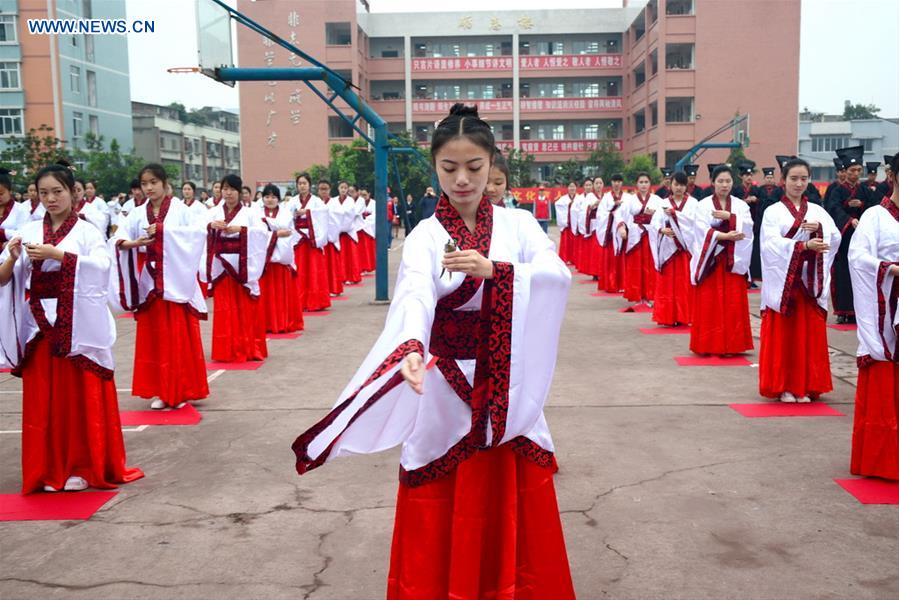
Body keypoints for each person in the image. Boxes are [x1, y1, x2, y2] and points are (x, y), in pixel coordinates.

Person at [291, 104, 575, 599]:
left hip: (507, 380)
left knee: (510, 480)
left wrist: (498, 272)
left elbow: (556, 275)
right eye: (449, 168)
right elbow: (416, 294)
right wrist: (412, 348)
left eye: (474, 168)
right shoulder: (426, 234)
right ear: (435, 167)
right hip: (446, 384)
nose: (462, 180)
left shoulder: (520, 226)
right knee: (442, 483)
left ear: (492, 167)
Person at [0, 162, 144, 493]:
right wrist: (10, 256)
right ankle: (49, 467)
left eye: (57, 191)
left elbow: (100, 270)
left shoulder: (88, 231)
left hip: (77, 328)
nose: (51, 199)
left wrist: (59, 255)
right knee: (44, 400)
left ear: (72, 192)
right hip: (37, 326)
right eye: (43, 193)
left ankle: (81, 464)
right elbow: (5, 277)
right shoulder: (30, 230)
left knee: (77, 398)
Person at [111, 164, 209, 410]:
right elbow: (118, 236)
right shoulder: (137, 213)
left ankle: (180, 389)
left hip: (175, 281)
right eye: (144, 183)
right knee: (155, 338)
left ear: (165, 183)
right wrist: (134, 242)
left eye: (153, 182)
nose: (149, 188)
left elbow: (197, 234)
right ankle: (161, 389)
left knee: (177, 337)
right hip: (150, 281)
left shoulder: (180, 209)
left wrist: (164, 231)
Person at [759, 158, 841, 403]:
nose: (799, 183)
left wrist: (819, 231)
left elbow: (834, 237)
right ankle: (784, 386)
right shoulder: (772, 212)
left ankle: (806, 385)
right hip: (785, 283)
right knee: (785, 337)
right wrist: (803, 244)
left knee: (807, 336)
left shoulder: (818, 211)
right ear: (783, 180)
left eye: (803, 178)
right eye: (794, 178)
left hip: (808, 281)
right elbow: (770, 244)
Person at [848, 153, 899, 480]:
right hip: (886, 305)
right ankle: (883, 459)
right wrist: (888, 269)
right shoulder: (875, 216)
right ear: (893, 175)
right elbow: (858, 256)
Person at [203, 174, 270, 363]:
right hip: (221, 265)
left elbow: (262, 233)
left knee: (244, 308)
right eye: (225, 189)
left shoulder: (250, 213)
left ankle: (247, 347)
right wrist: (210, 226)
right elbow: (198, 230)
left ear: (239, 192)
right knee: (224, 308)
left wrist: (241, 230)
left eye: (232, 189)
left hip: (243, 267)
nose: (228, 193)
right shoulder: (213, 212)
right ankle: (225, 350)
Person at [689, 164, 754, 356]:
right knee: (710, 302)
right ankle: (709, 343)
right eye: (720, 181)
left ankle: (733, 344)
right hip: (713, 259)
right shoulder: (703, 205)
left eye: (728, 181)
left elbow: (749, 227)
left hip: (733, 259)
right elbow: (699, 230)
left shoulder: (741, 205)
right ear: (712, 183)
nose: (724, 185)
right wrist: (723, 235)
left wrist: (731, 217)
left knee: (732, 302)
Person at [825, 145, 877, 324]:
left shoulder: (865, 191)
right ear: (845, 171)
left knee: (861, 271)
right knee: (842, 273)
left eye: (858, 170)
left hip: (861, 237)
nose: (855, 174)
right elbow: (833, 209)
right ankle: (842, 310)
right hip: (844, 237)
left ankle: (858, 310)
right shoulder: (837, 190)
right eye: (852, 170)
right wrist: (848, 217)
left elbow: (873, 208)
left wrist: (861, 206)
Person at [647, 171, 697, 326]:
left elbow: (695, 224)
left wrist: (676, 216)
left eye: (682, 185)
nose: (679, 188)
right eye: (676, 184)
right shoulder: (662, 203)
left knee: (685, 284)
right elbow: (654, 224)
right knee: (668, 284)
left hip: (685, 250)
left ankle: (685, 315)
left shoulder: (693, 203)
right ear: (671, 185)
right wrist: (662, 230)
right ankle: (667, 316)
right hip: (668, 250)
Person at [256, 184, 304, 334]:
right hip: (263, 261)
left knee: (280, 293)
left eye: (273, 197)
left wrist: (270, 228)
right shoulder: (255, 213)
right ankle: (264, 323)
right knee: (264, 293)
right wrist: (275, 233)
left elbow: (288, 231)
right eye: (267, 197)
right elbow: (256, 232)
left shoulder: (285, 213)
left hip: (280, 260)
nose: (270, 200)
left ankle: (282, 322)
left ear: (279, 199)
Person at [616, 172, 663, 305]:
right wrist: (622, 227)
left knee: (650, 265)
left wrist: (652, 216)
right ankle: (637, 295)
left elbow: (662, 217)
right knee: (636, 266)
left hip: (651, 236)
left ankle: (650, 295)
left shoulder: (657, 200)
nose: (643, 185)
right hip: (635, 236)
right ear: (636, 184)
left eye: (646, 182)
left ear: (650, 184)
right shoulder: (630, 200)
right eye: (641, 182)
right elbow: (619, 214)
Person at [287, 173, 330, 311]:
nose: (302, 186)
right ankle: (299, 301)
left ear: (310, 185)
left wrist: (307, 212)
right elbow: (286, 217)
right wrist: (295, 214)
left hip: (312, 238)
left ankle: (316, 301)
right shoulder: (292, 201)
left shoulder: (317, 201)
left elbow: (323, 214)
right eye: (300, 183)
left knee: (314, 270)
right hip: (298, 238)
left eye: (304, 183)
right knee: (300, 270)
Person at [732, 161, 763, 284]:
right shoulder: (736, 189)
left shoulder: (756, 189)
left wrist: (757, 200)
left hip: (754, 223)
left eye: (750, 175)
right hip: (741, 224)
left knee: (753, 251)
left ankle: (753, 277)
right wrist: (743, 201)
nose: (749, 178)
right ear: (741, 177)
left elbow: (763, 203)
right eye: (746, 175)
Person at [596, 173, 627, 293]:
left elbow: (629, 214)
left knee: (622, 258)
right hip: (610, 234)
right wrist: (613, 209)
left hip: (622, 232)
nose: (617, 184)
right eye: (615, 181)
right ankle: (611, 284)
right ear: (611, 183)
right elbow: (601, 214)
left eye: (619, 181)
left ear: (622, 183)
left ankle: (623, 284)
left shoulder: (627, 197)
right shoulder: (607, 197)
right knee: (611, 260)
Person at [319, 180, 345, 296]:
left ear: (330, 190)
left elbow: (338, 219)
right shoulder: (316, 202)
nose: (323, 191)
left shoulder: (334, 203)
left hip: (330, 238)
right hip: (319, 238)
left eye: (325, 189)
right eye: (321, 189)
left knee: (331, 265)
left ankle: (334, 288)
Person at [0, 168, 32, 250]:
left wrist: (3, 233)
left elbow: (25, 234)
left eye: (1, 194)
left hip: (11, 255)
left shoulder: (21, 209)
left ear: (10, 191)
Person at [554, 182, 576, 263]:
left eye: (573, 186)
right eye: (570, 186)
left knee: (575, 243)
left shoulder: (579, 198)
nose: (572, 188)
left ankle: (575, 259)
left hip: (575, 225)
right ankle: (565, 258)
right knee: (566, 242)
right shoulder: (563, 199)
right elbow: (557, 205)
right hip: (566, 224)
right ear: (567, 188)